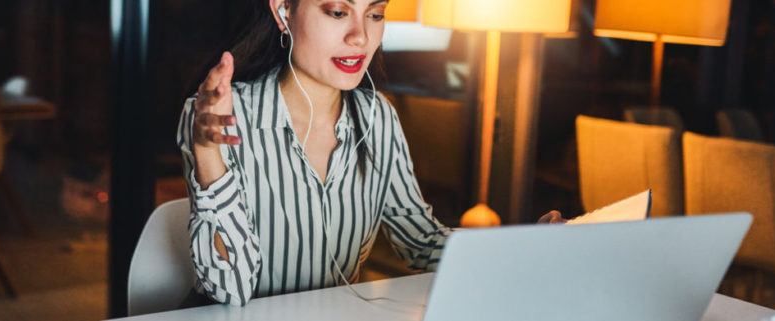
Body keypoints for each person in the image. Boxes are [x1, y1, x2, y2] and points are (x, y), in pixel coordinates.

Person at [177, 0, 563, 307]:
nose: (360, 36)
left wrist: (520, 250)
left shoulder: (378, 118)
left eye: (375, 14)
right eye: (338, 12)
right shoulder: (216, 119)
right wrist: (209, 156)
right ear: (283, 11)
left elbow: (422, 242)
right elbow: (230, 290)